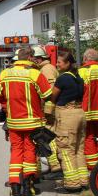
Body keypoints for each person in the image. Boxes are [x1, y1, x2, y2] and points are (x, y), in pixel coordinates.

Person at [0, 47, 52, 196]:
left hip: (13, 122)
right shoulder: (35, 74)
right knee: (30, 151)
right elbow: (48, 95)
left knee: (16, 151)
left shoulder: (6, 73)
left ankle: (14, 187)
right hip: (32, 121)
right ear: (31, 57)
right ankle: (28, 187)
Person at [49, 49, 87, 192]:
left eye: (59, 62)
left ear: (68, 63)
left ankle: (72, 185)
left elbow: (53, 96)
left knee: (66, 150)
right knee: (79, 149)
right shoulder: (78, 78)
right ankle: (83, 181)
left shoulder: (63, 78)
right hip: (80, 113)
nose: (57, 64)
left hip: (67, 115)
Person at [30, 45, 62, 179]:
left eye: (33, 59)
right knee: (46, 138)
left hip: (48, 111)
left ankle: (56, 169)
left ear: (38, 59)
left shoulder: (47, 70)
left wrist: (47, 111)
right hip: (46, 110)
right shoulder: (44, 68)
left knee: (48, 138)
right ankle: (52, 167)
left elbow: (50, 92)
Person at [79, 49, 98, 171]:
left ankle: (92, 166)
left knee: (88, 137)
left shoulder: (82, 71)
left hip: (86, 110)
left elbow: (80, 90)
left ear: (85, 58)